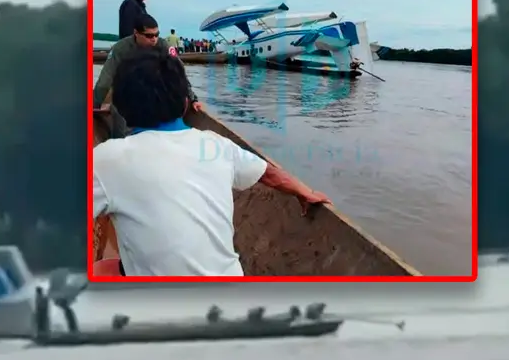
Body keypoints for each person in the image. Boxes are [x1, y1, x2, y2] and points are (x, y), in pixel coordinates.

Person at [92, 48, 331, 276]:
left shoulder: (108, 158)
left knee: (101, 269)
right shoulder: (216, 145)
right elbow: (270, 174)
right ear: (185, 103)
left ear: (121, 108)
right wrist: (304, 191)